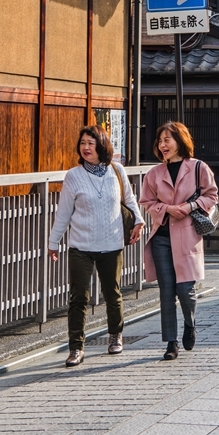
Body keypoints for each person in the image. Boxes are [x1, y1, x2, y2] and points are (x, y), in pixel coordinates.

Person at [48, 126, 144, 367]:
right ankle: (76, 348)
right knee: (79, 296)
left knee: (113, 292)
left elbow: (129, 199)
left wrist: (139, 221)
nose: (86, 147)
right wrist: (53, 242)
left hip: (111, 243)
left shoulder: (116, 170)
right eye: (82, 143)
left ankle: (115, 335)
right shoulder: (73, 175)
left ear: (102, 145)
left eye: (91, 143)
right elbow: (64, 213)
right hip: (81, 245)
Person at [140, 121, 219, 361]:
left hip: (187, 237)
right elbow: (147, 202)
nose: (163, 145)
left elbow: (212, 195)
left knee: (185, 289)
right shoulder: (154, 173)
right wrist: (166, 208)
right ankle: (171, 343)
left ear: (180, 141)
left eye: (167, 140)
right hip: (162, 238)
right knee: (166, 291)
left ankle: (190, 324)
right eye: (160, 141)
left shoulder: (198, 167)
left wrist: (190, 205)